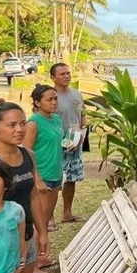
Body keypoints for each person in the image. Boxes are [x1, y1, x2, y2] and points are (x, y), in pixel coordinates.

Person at [0, 99, 51, 273]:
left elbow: (34, 196)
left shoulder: (29, 155)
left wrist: (43, 231)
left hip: (24, 240)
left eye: (22, 124)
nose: (19, 129)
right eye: (11, 125)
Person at [23, 85, 64, 273]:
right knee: (39, 223)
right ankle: (33, 267)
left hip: (56, 174)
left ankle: (42, 257)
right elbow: (27, 152)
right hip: (42, 177)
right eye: (49, 99)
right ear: (38, 102)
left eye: (55, 98)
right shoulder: (33, 123)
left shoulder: (55, 118)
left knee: (46, 219)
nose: (54, 102)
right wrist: (37, 178)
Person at [50, 63, 87, 224]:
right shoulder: (51, 98)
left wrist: (81, 136)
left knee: (71, 178)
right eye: (62, 74)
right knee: (53, 180)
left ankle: (67, 213)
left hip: (74, 141)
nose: (66, 76)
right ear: (53, 78)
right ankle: (49, 217)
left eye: (68, 73)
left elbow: (83, 117)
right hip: (56, 144)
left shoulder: (77, 95)